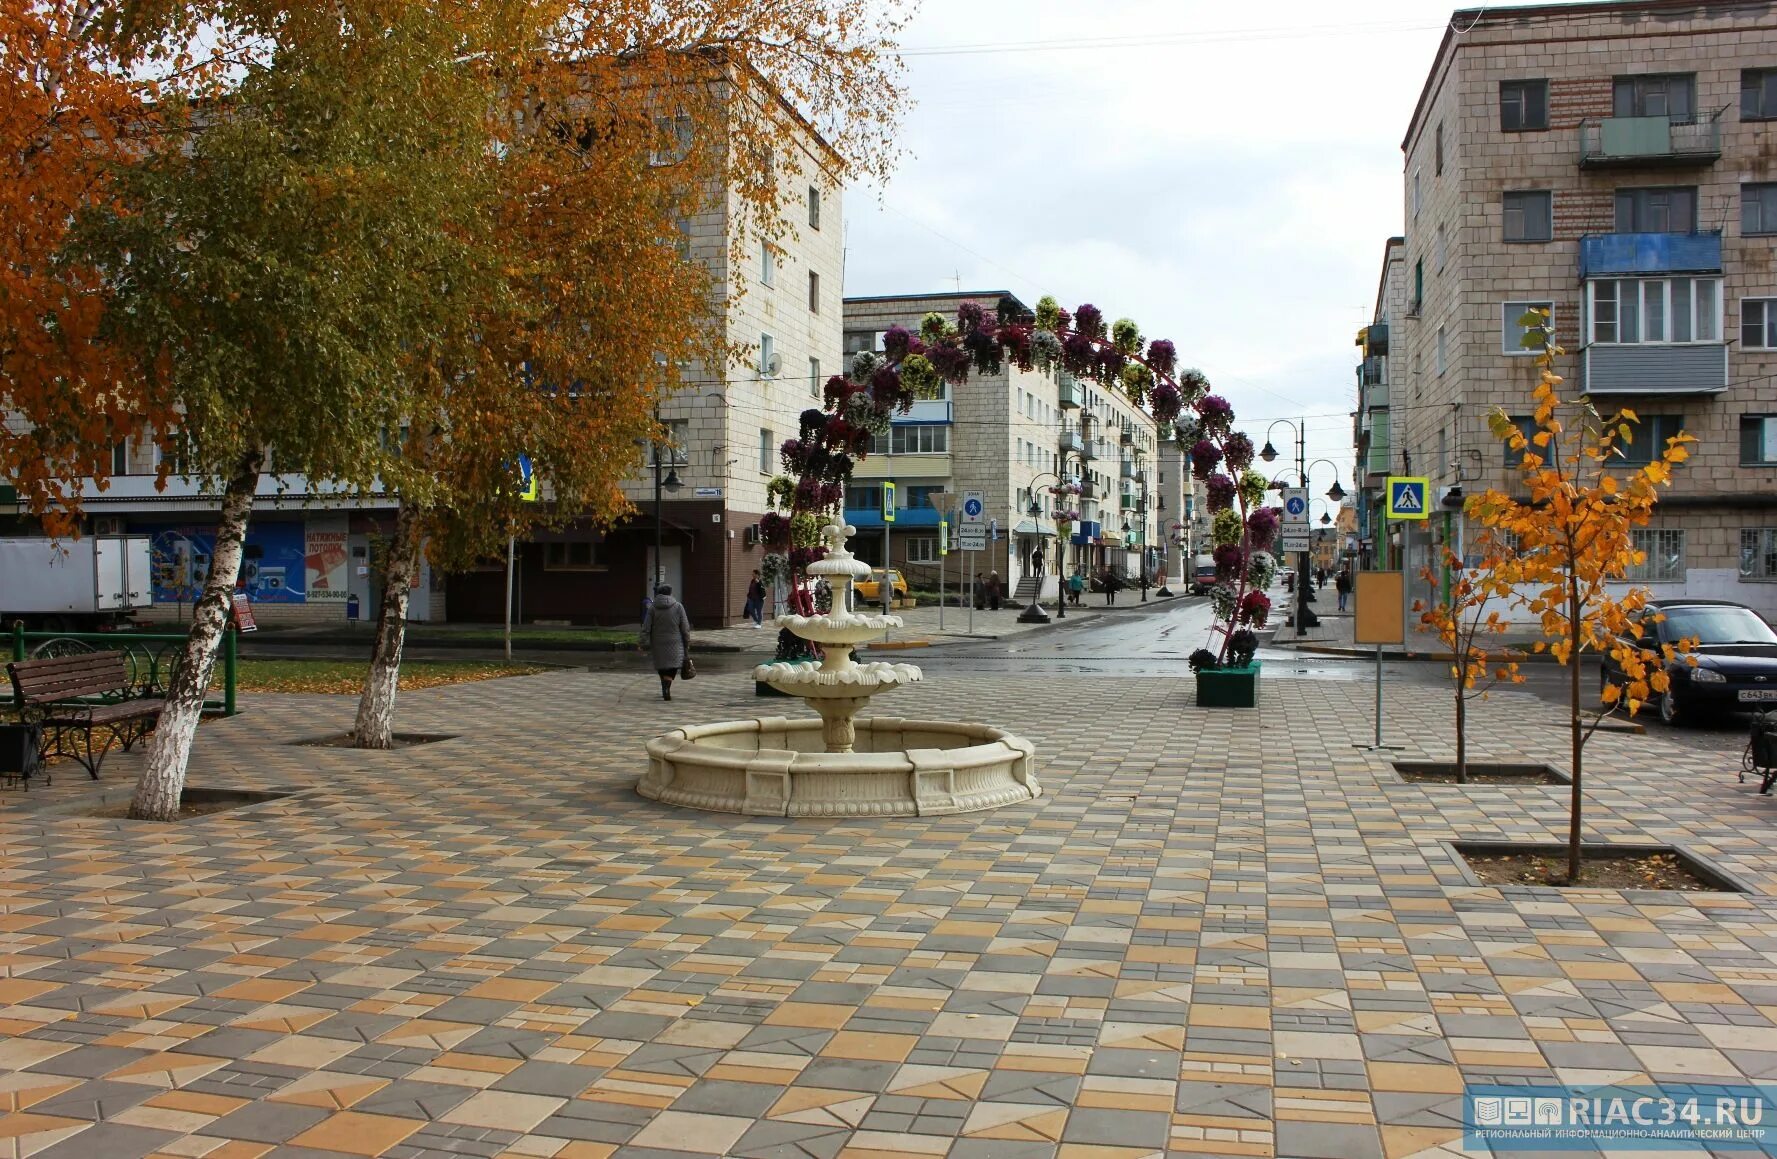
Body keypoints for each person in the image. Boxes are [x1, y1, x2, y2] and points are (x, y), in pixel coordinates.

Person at [639, 583, 692, 701]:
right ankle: (667, 687)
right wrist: (687, 641)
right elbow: (685, 627)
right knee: (672, 665)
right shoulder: (678, 606)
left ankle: (664, 686)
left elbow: (646, 627)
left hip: (657, 642)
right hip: (675, 641)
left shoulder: (652, 608)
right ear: (670, 593)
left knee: (662, 665)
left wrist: (642, 642)